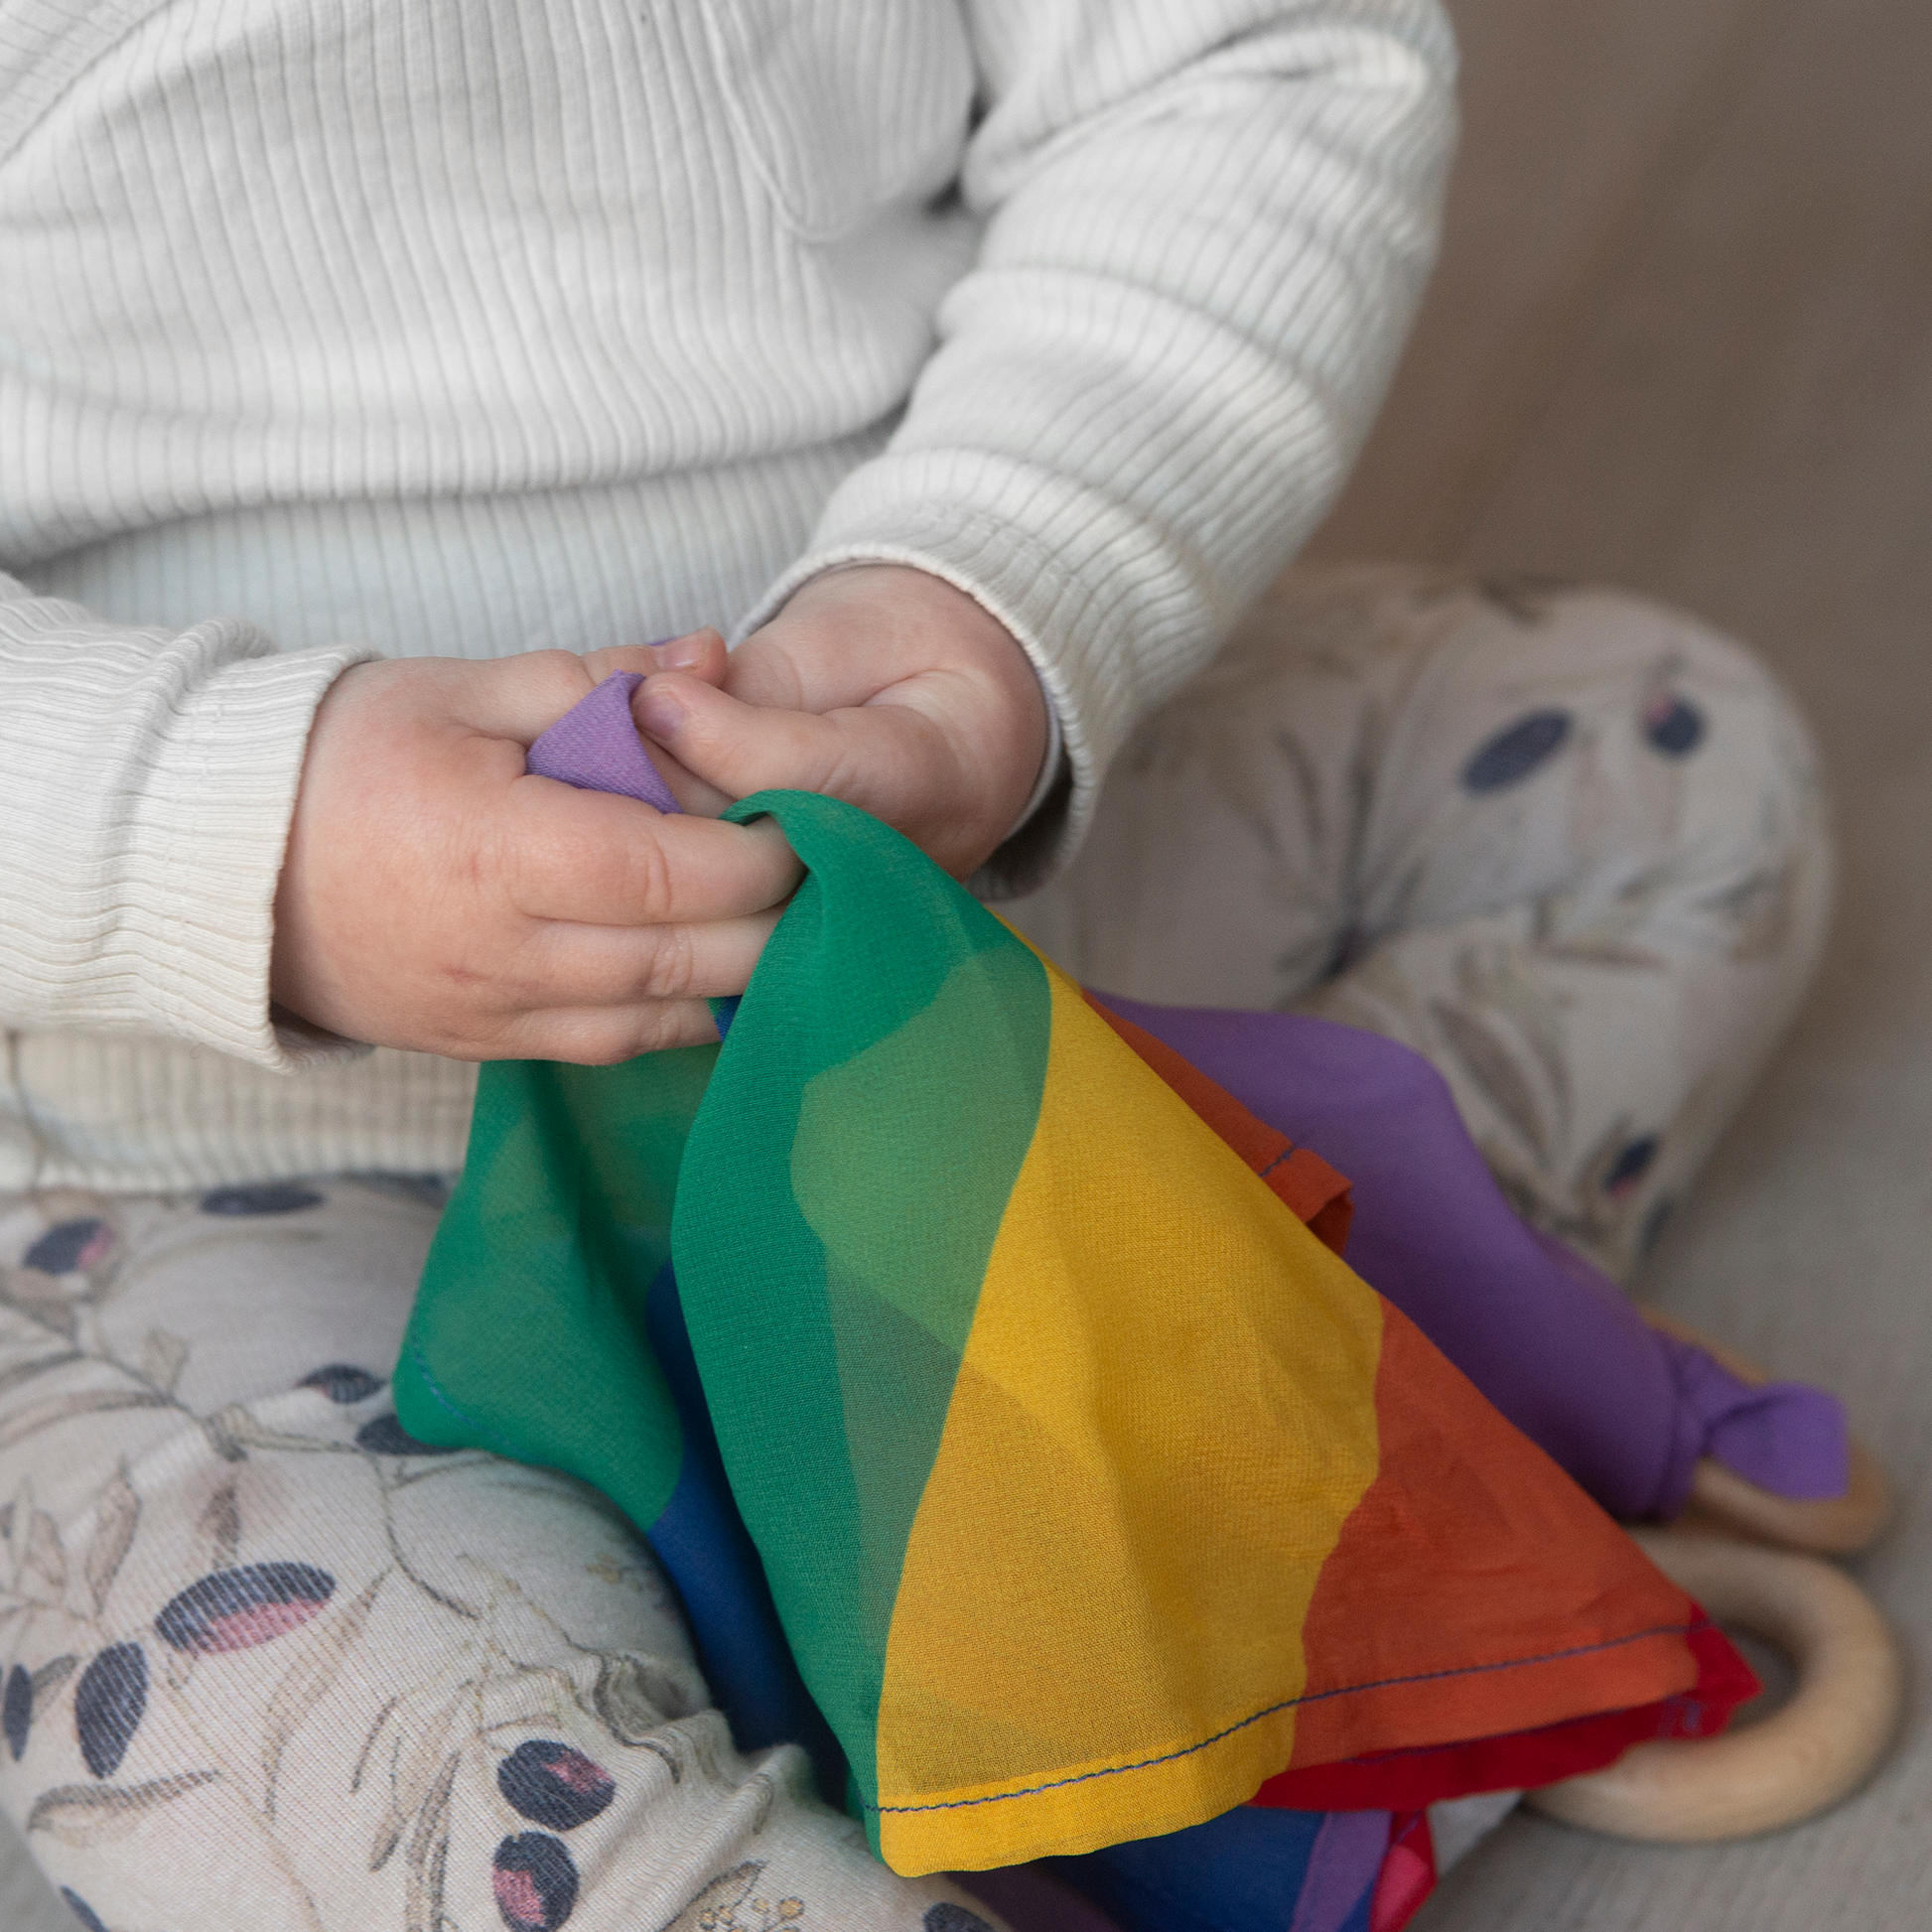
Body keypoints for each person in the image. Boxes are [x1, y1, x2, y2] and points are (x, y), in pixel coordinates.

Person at [0, 3, 1828, 1928]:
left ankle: (1280, 1450)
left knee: (1652, 759)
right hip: (195, 1156)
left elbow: (1247, 62)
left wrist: (993, 586)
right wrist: (228, 832)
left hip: (982, 972)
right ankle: (1111, 1578)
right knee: (285, 1700)